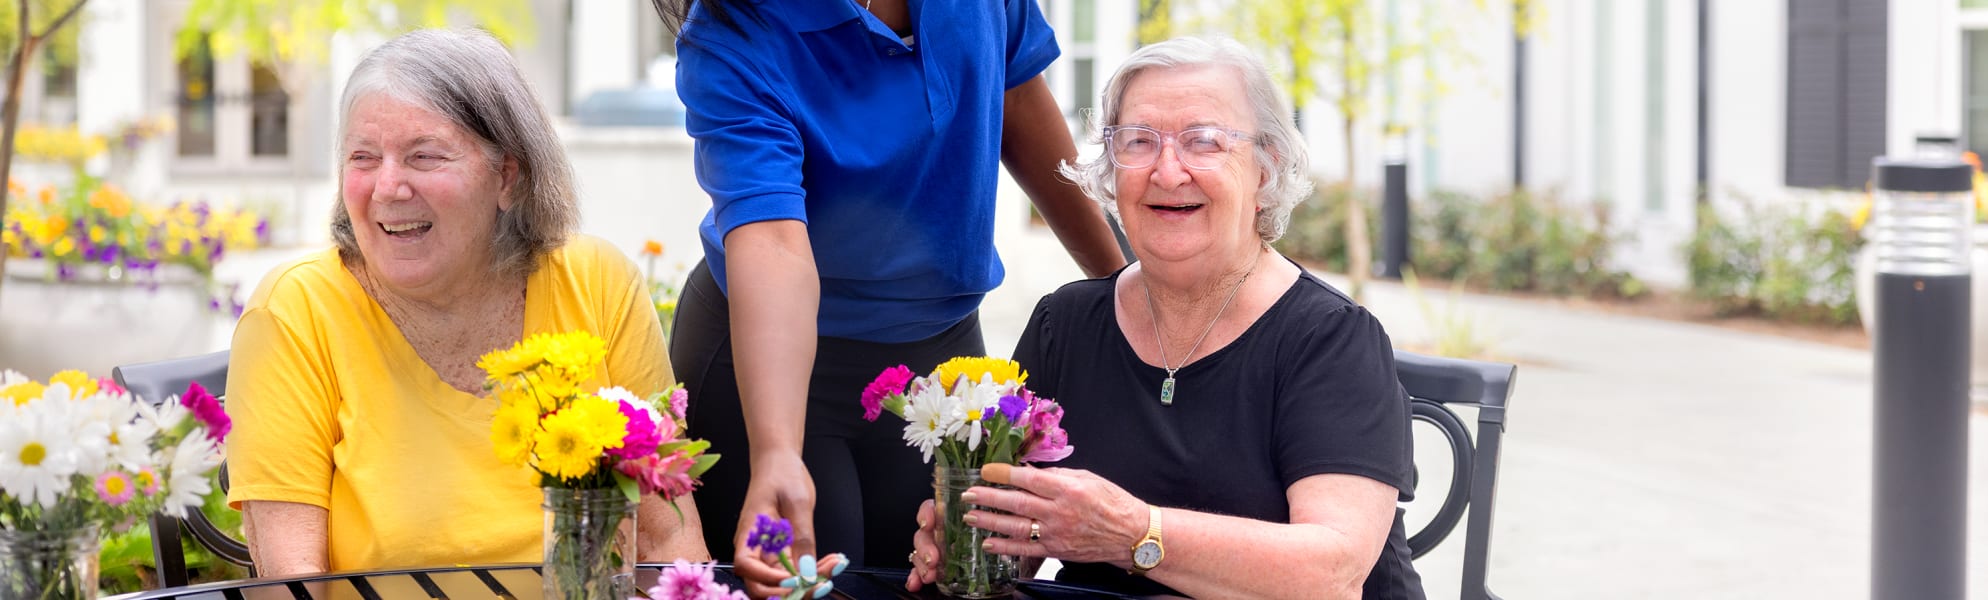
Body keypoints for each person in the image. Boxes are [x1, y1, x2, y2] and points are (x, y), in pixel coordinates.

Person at [905, 37, 1424, 599]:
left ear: (1265, 170)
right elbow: (1024, 538)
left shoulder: (1331, 341)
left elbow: (1332, 576)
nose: (1167, 171)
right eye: (1139, 142)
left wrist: (1131, 533)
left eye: (1204, 142)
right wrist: (973, 541)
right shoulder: (1066, 323)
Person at [650, 0, 1129, 593]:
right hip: (773, 365)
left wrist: (1124, 288)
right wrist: (776, 450)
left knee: (949, 581)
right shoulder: (735, 29)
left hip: (938, 353)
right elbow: (773, 244)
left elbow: (1019, 103)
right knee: (815, 585)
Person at [225, 29, 707, 576]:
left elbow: (671, 544)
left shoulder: (597, 282)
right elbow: (291, 584)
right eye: (363, 157)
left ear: (507, 177)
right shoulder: (296, 311)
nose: (387, 187)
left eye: (423, 156)